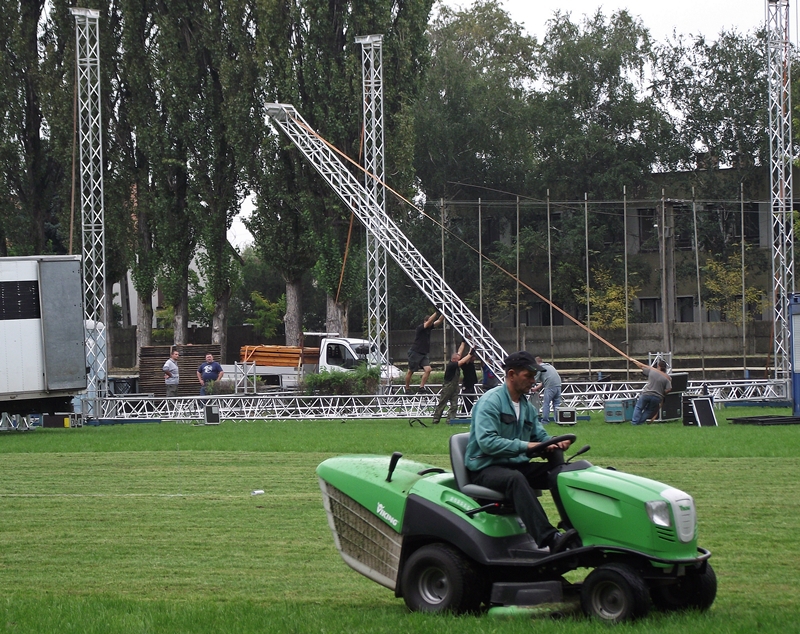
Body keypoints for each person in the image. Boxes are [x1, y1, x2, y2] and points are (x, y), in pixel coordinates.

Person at [464, 351, 579, 553]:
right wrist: (527, 447)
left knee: (563, 473)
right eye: (528, 376)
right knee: (515, 479)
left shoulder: (526, 406)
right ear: (511, 374)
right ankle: (550, 538)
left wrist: (552, 443)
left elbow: (539, 435)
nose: (533, 381)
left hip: (515, 464)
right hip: (486, 467)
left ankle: (576, 529)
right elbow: (487, 443)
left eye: (534, 376)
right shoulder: (490, 402)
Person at [431, 343, 474, 424]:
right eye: (458, 359)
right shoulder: (451, 365)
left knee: (454, 405)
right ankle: (436, 419)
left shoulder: (455, 361)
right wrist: (470, 354)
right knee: (442, 403)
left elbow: (459, 352)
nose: (459, 360)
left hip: (454, 387)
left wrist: (463, 342)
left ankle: (450, 420)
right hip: (448, 387)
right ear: (454, 359)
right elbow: (461, 361)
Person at [404, 311, 445, 391]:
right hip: (415, 352)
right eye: (430, 321)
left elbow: (439, 321)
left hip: (424, 353)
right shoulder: (420, 328)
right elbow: (430, 321)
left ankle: (421, 387)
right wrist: (436, 312)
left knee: (428, 369)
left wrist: (444, 312)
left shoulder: (429, 327)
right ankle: (407, 388)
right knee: (410, 371)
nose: (431, 323)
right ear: (425, 321)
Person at [631, 359, 672, 425]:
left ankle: (635, 423)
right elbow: (669, 389)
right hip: (657, 397)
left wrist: (634, 361)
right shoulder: (667, 378)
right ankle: (640, 423)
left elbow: (641, 367)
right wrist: (663, 393)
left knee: (639, 407)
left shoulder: (652, 371)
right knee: (649, 410)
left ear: (658, 366)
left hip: (646, 393)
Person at [531, 356, 562, 424]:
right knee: (556, 404)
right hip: (558, 385)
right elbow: (544, 381)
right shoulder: (549, 366)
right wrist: (536, 389)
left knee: (546, 403)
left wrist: (529, 386)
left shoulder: (539, 368)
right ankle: (557, 420)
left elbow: (534, 379)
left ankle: (545, 421)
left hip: (550, 387)